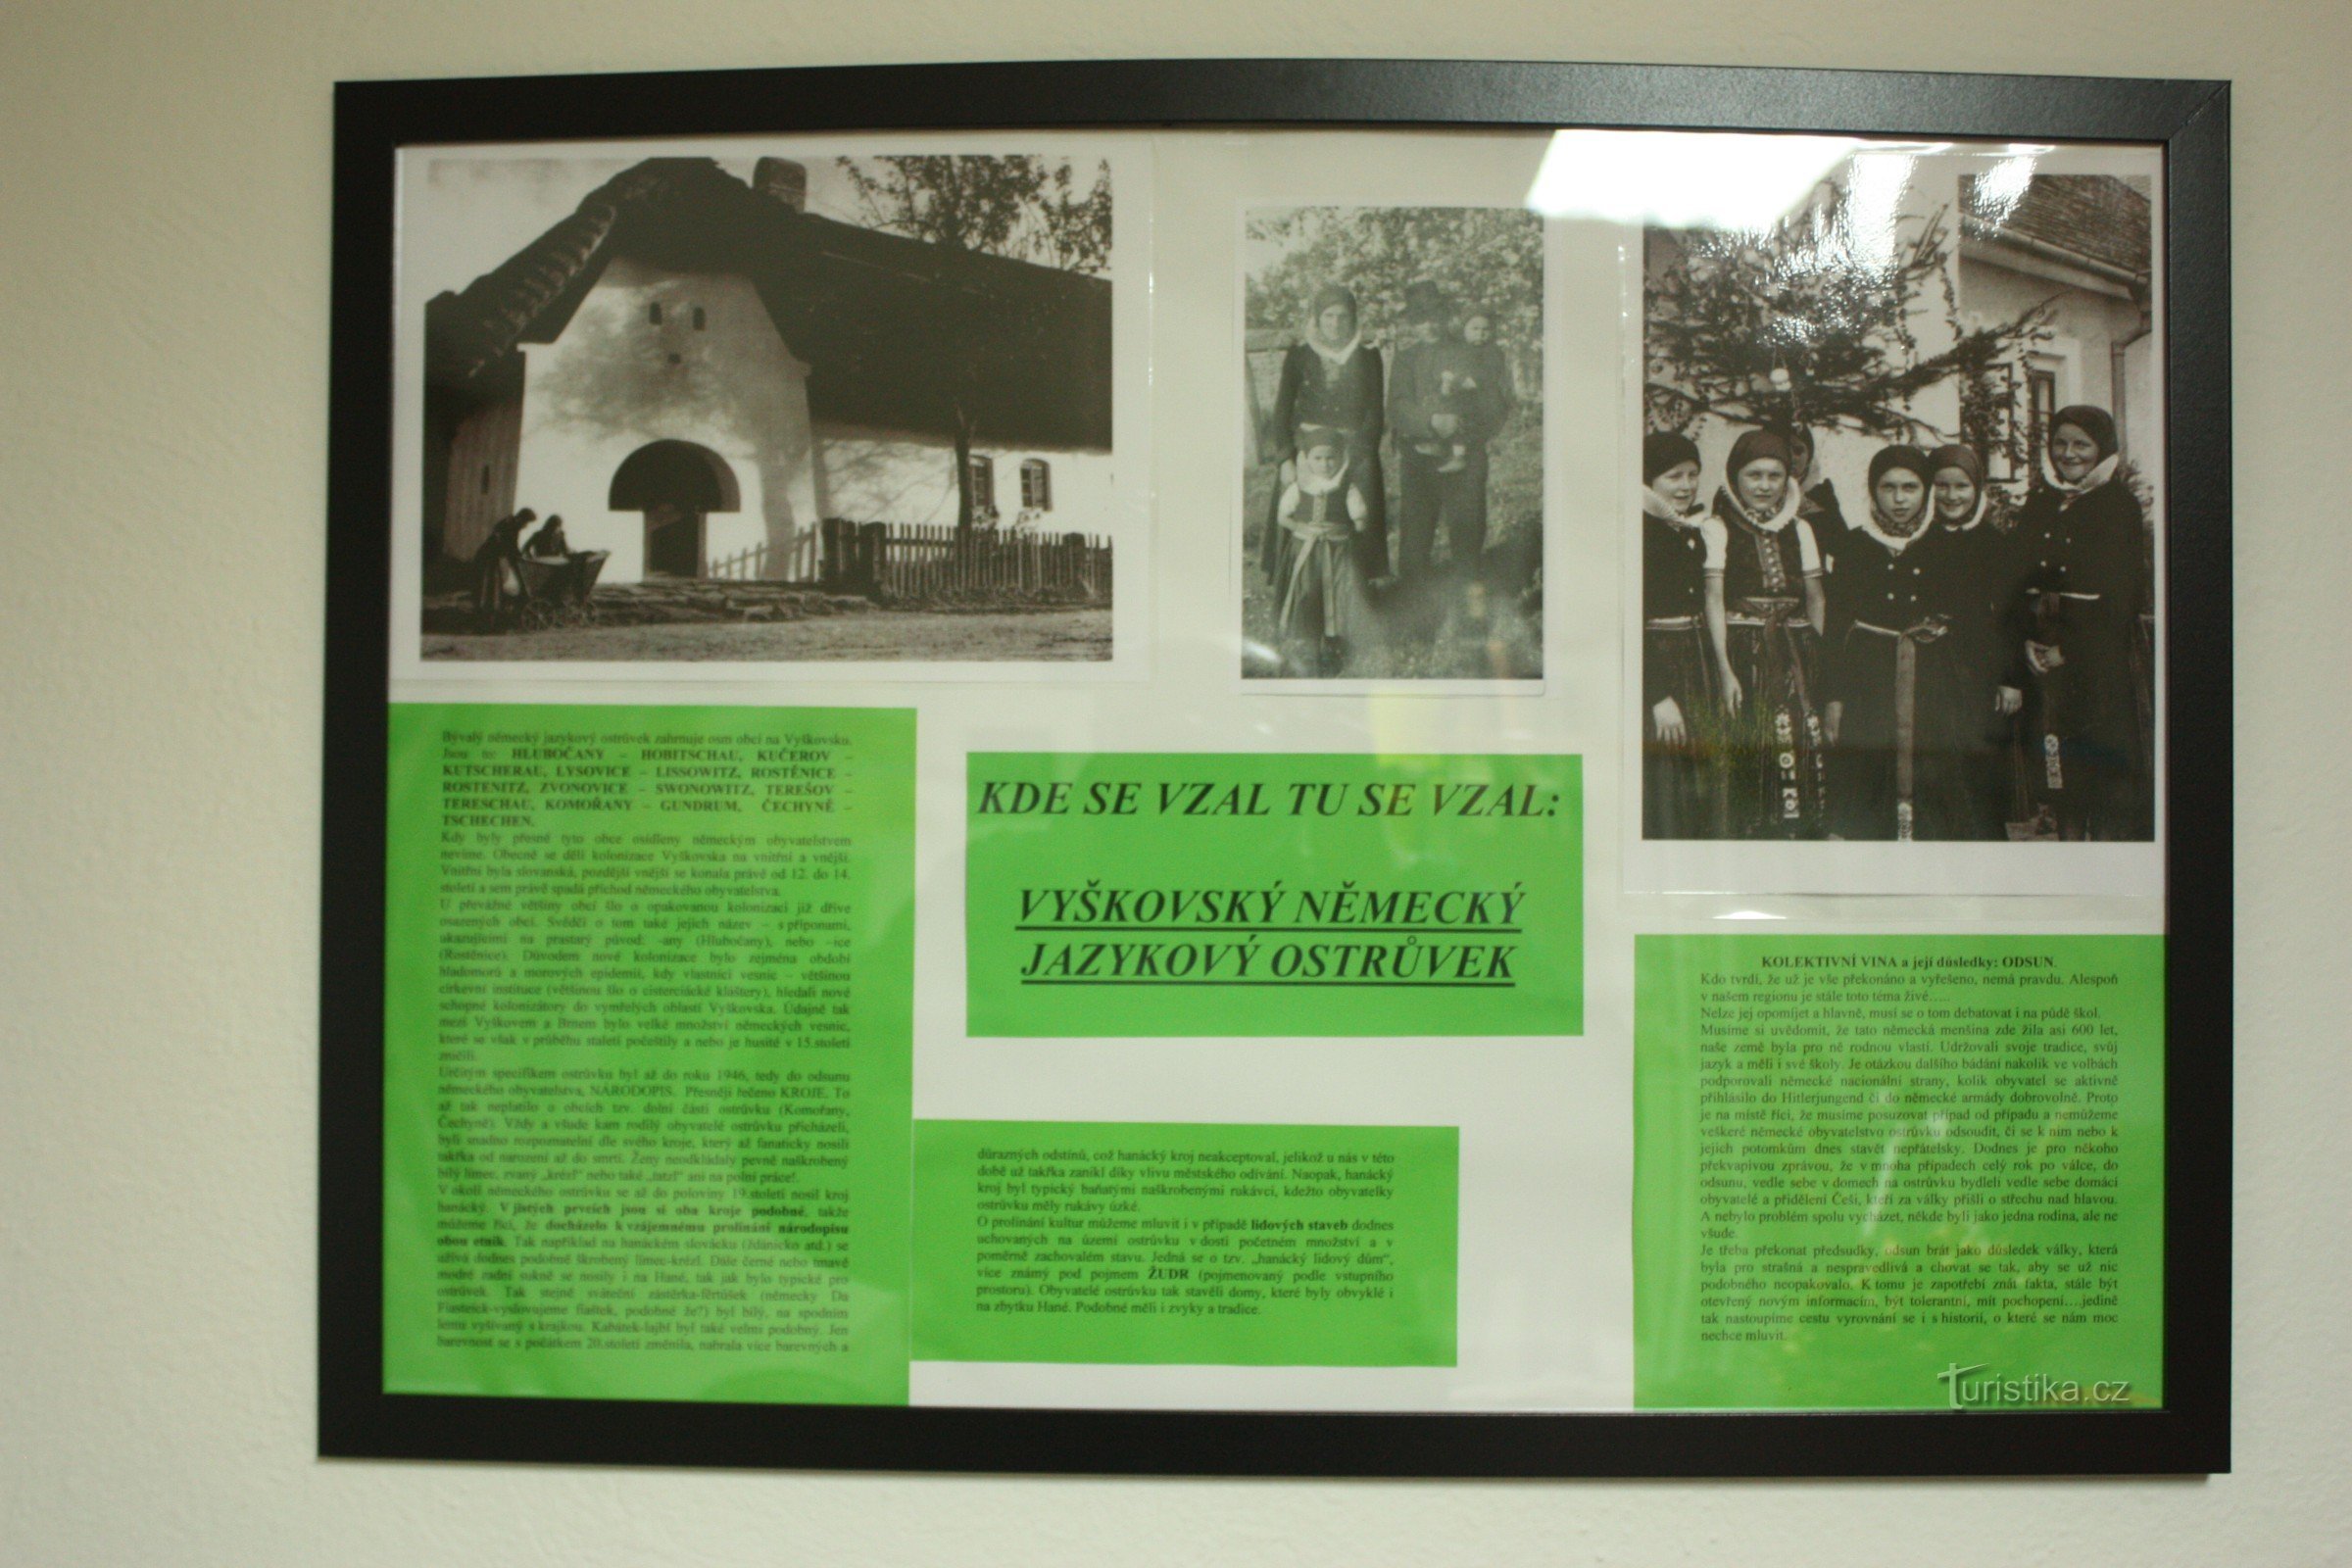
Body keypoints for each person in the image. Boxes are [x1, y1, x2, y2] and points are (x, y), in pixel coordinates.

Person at [1998, 405, 2151, 840]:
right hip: (2042, 657)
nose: (2069, 453)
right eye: (2060, 443)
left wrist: (2069, 649)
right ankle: (2066, 849)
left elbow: (2123, 594)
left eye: (2081, 444)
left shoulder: (2117, 504)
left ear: (2102, 449)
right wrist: (2027, 641)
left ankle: (2102, 859)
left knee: (2100, 777)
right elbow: (2016, 577)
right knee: (2057, 772)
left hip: (2097, 660)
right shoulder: (2042, 499)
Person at [1823, 445, 1975, 841]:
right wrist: (1834, 696)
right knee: (1869, 772)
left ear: (1926, 491)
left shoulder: (1947, 544)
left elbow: (1968, 620)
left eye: (1911, 486)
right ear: (1873, 492)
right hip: (1868, 680)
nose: (1900, 498)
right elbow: (1835, 625)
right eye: (1888, 487)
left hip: (1931, 678)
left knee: (1933, 776)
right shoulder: (1853, 545)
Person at [1703, 429, 1831, 838]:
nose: (1764, 486)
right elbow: (1713, 599)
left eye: (1774, 476)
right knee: (1752, 737)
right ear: (1735, 478)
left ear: (1788, 480)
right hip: (1745, 648)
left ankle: (1798, 829)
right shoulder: (1717, 527)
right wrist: (1725, 669)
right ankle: (1754, 831)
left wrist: (1813, 654)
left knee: (1799, 733)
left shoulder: (1801, 529)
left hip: (1794, 646)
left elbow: (1816, 598)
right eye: (1754, 475)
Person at [1262, 283, 1388, 594]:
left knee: (1355, 514)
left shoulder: (1368, 357)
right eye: (1328, 316)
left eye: (1342, 317)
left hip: (1354, 450)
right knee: (1301, 512)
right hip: (1307, 451)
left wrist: (1359, 457)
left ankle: (1355, 588)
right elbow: (1281, 412)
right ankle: (1296, 589)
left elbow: (1375, 413)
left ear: (1353, 319)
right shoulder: (1300, 356)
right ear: (1317, 320)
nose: (1335, 324)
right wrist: (1285, 459)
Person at [1388, 282, 1506, 611]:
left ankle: (1470, 608)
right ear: (1411, 323)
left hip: (1464, 456)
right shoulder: (1405, 359)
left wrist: (1464, 428)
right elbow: (1397, 406)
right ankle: (1413, 610)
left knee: (1467, 531)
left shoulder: (1467, 352)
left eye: (1435, 317)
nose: (1429, 325)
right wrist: (1430, 423)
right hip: (1418, 457)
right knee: (1415, 531)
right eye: (1420, 319)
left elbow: (1493, 403)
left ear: (1445, 316)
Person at [1928, 444, 2023, 839]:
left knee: (1979, 767)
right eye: (1941, 485)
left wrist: (2011, 678)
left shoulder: (1996, 543)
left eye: (1961, 486)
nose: (1951, 496)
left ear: (1977, 487)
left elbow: (2011, 616)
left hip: (1979, 670)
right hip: (1931, 669)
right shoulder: (1921, 542)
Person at [1641, 431, 1726, 838]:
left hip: (1696, 663)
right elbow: (1627, 622)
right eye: (1674, 476)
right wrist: (1657, 695)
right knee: (1664, 776)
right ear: (1649, 480)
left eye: (1693, 475)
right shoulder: (1638, 531)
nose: (1687, 486)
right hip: (1660, 665)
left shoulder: (1689, 529)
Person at [1270, 427, 1377, 676]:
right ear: (1307, 459)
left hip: (1337, 550)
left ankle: (1333, 644)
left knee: (1339, 593)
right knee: (1308, 592)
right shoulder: (1300, 487)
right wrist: (1299, 527)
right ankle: (1307, 644)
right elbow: (1283, 516)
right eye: (1318, 458)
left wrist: (1356, 523)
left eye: (1331, 458)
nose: (1325, 464)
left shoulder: (1346, 488)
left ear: (1341, 458)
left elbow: (1359, 518)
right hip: (1306, 553)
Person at [1783, 423, 1851, 573]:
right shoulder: (1755, 495)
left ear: (1809, 456)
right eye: (1784, 449)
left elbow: (1845, 551)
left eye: (1798, 451)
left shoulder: (1820, 495)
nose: (1792, 458)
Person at [469, 507, 535, 630]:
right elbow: (508, 546)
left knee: (493, 588)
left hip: (492, 558)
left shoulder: (509, 524)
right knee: (488, 588)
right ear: (521, 519)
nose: (526, 526)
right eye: (526, 523)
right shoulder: (509, 526)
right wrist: (517, 558)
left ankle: (489, 621)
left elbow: (511, 547)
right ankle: (485, 623)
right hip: (487, 559)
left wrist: (516, 557)